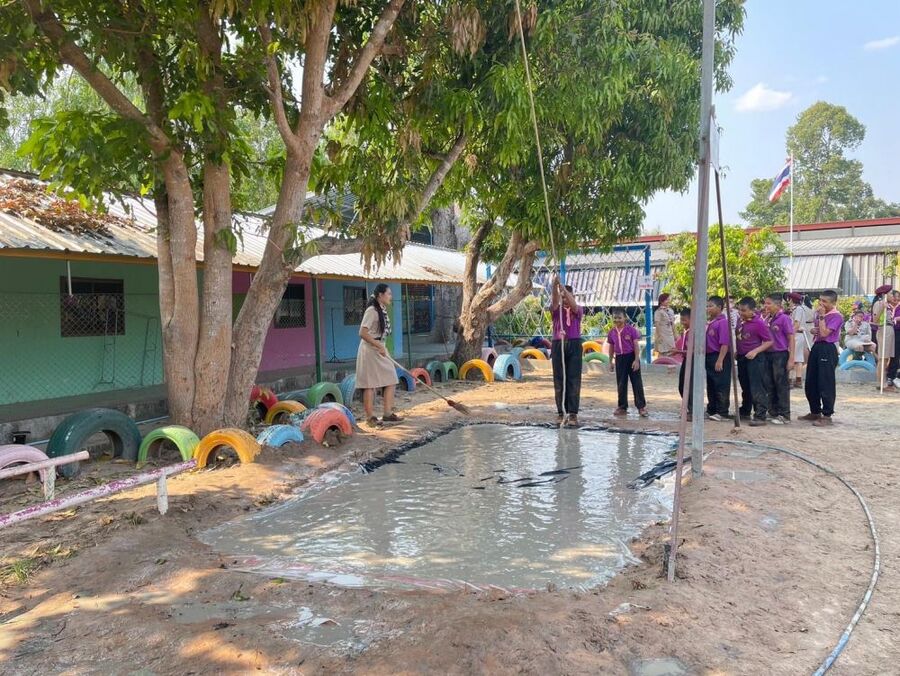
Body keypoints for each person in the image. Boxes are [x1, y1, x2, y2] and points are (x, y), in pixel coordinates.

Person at [356, 284, 403, 428]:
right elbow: (362, 333)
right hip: (369, 350)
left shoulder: (381, 309)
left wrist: (382, 347)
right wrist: (378, 345)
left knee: (391, 378)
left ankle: (387, 413)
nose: (391, 297)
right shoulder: (371, 310)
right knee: (369, 384)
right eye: (388, 294)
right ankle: (370, 418)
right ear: (380, 295)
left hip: (380, 347)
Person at [800, 289, 843, 426]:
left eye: (825, 301)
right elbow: (819, 331)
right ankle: (815, 411)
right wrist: (814, 329)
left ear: (833, 303)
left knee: (825, 381)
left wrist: (822, 317)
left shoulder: (836, 316)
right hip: (817, 346)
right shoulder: (818, 314)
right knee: (811, 380)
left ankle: (827, 414)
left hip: (828, 348)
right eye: (820, 300)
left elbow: (825, 334)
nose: (821, 304)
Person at [550, 275, 583, 427]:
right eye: (563, 297)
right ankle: (560, 412)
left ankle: (573, 413)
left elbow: (574, 306)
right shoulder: (557, 311)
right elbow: (554, 301)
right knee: (559, 379)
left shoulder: (578, 310)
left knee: (573, 379)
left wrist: (563, 289)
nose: (565, 300)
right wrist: (554, 286)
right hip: (558, 344)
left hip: (574, 344)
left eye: (567, 297)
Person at [735, 297, 774, 427]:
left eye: (744, 310)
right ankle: (745, 410)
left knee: (756, 387)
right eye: (739, 310)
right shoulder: (741, 321)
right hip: (742, 357)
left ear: (752, 310)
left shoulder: (759, 323)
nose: (741, 313)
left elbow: (769, 341)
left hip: (755, 359)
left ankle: (760, 414)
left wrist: (755, 351)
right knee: (745, 386)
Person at [607, 309, 648, 417]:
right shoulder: (612, 332)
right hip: (619, 358)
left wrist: (636, 360)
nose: (617, 320)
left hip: (631, 357)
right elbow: (611, 347)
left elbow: (636, 345)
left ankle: (641, 407)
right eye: (615, 318)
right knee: (621, 383)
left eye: (619, 318)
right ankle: (622, 407)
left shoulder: (631, 330)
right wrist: (610, 361)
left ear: (625, 318)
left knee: (636, 382)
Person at [763, 293, 795, 424]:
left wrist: (791, 358)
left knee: (781, 385)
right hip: (768, 354)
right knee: (769, 384)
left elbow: (791, 338)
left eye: (769, 303)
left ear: (778, 305)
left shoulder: (784, 319)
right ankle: (773, 411)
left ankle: (784, 414)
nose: (766, 306)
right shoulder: (767, 318)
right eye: (765, 303)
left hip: (780, 354)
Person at [705, 295, 732, 421]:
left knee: (721, 384)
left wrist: (720, 359)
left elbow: (724, 343)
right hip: (709, 356)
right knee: (711, 384)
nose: (708, 309)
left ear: (719, 307)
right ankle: (712, 409)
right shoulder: (711, 322)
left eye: (711, 306)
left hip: (719, 355)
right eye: (707, 306)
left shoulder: (723, 322)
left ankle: (722, 411)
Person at [788, 292, 815, 389]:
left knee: (793, 357)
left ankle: (791, 380)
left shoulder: (798, 309)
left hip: (796, 335)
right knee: (798, 358)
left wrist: (790, 334)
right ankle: (798, 380)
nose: (788, 301)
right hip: (799, 335)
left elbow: (796, 324)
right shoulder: (798, 309)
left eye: (789, 299)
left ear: (792, 300)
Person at [676, 308, 693, 420]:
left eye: (684, 320)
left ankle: (692, 411)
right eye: (681, 320)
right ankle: (688, 407)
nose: (682, 322)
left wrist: (679, 351)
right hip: (685, 359)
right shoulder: (685, 332)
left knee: (690, 386)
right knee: (682, 385)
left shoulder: (694, 332)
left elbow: (694, 350)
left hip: (692, 360)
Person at [653, 293, 677, 357]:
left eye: (669, 299)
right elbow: (657, 324)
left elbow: (673, 324)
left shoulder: (671, 311)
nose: (668, 301)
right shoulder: (658, 312)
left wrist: (675, 334)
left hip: (670, 335)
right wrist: (659, 336)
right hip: (662, 335)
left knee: (671, 352)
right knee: (662, 353)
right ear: (661, 301)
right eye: (667, 299)